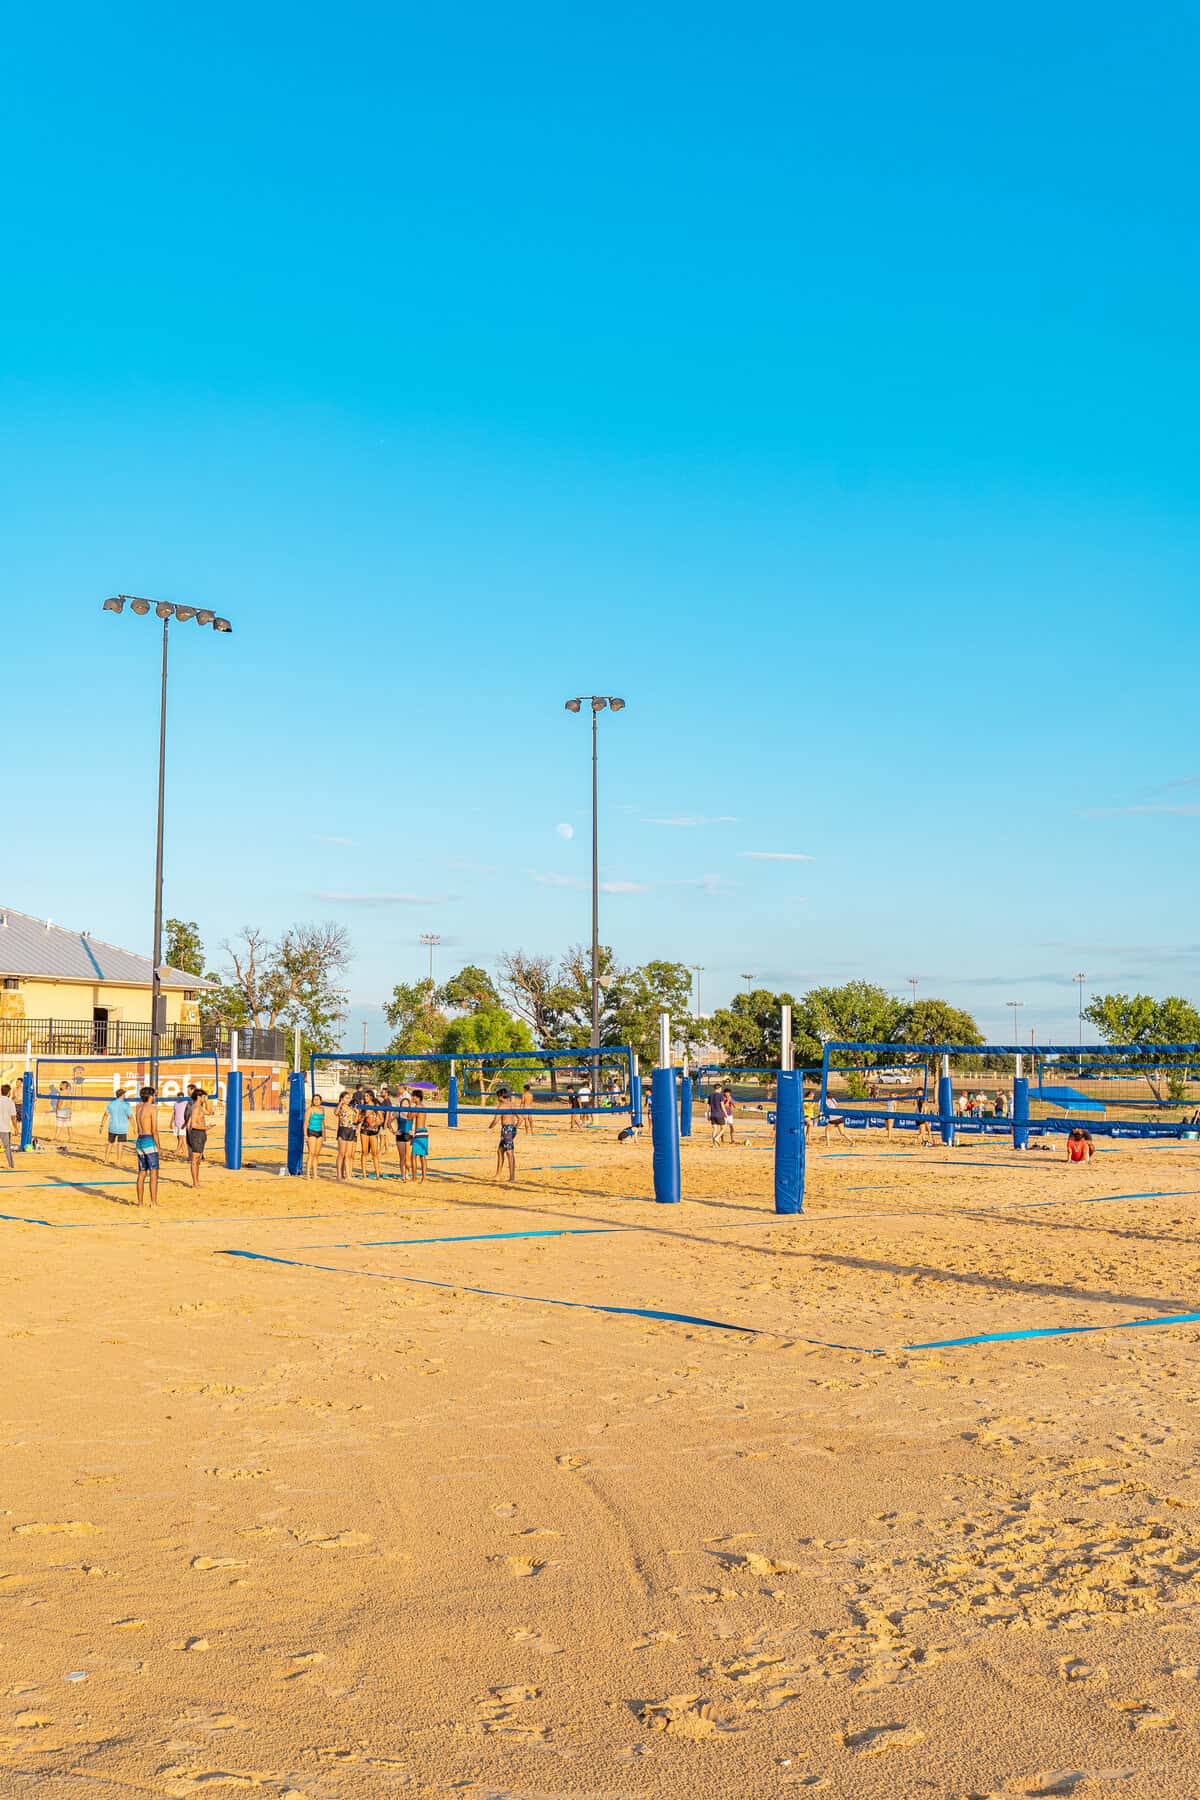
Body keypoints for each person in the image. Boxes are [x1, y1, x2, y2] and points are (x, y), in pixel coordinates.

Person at [133, 1085, 160, 1207]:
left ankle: (140, 1202)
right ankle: (153, 1202)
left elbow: (139, 1127)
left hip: (139, 1140)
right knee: (154, 1173)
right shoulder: (152, 1108)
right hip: (149, 1140)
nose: (155, 1097)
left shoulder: (138, 1108)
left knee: (142, 1172)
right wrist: (158, 1145)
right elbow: (154, 1129)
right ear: (150, 1096)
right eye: (154, 1095)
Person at [491, 1090, 519, 1182]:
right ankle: (498, 1175)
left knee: (509, 1153)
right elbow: (520, 1118)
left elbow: (496, 1120)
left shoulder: (502, 1106)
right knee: (500, 1151)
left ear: (500, 1097)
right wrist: (514, 1128)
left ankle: (512, 1177)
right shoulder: (512, 1104)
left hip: (507, 1130)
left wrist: (489, 1127)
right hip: (509, 1130)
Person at [186, 1087, 211, 1188]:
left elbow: (209, 1112)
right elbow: (193, 1125)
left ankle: (197, 1181)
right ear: (199, 1097)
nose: (204, 1098)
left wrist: (206, 1101)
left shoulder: (199, 1107)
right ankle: (195, 1183)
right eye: (203, 1096)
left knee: (198, 1159)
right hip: (197, 1134)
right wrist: (206, 1127)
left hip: (200, 1134)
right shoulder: (196, 1108)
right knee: (195, 1159)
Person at [100, 1088, 131, 1167]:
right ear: (122, 1095)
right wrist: (135, 1127)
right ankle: (118, 1162)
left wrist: (102, 1125)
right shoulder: (126, 1104)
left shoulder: (111, 1103)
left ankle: (106, 1161)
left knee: (110, 1143)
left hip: (112, 1127)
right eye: (124, 1094)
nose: (125, 1095)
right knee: (120, 1144)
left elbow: (106, 1115)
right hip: (122, 1128)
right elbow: (130, 1116)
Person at [358, 1090, 383, 1180]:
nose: (365, 1098)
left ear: (371, 1097)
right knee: (364, 1152)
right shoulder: (363, 1107)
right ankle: (364, 1174)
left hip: (373, 1130)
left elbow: (381, 1119)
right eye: (365, 1096)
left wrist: (376, 1124)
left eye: (367, 1096)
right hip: (364, 1130)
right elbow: (359, 1119)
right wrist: (363, 1114)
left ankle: (377, 1175)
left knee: (374, 1153)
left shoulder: (376, 1106)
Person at [335, 1092, 357, 1182]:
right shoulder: (341, 1107)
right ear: (342, 1098)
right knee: (341, 1153)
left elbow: (354, 1120)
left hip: (351, 1130)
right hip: (343, 1129)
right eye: (346, 1097)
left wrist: (357, 1112)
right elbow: (336, 1113)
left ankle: (348, 1175)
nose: (348, 1099)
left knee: (348, 1154)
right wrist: (340, 1102)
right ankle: (339, 1175)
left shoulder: (351, 1108)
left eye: (349, 1098)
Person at [305, 1093, 327, 1179]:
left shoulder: (322, 1110)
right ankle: (307, 1174)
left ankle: (315, 1174)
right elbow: (306, 1123)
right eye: (315, 1099)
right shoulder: (310, 1110)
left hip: (320, 1133)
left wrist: (324, 1134)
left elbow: (323, 1122)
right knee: (311, 1153)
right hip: (311, 1132)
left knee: (317, 1154)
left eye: (318, 1099)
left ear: (321, 1101)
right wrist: (305, 1135)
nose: (316, 1101)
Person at [409, 1093, 429, 1182]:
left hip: (420, 1132)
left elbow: (409, 1117)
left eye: (413, 1096)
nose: (412, 1098)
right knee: (422, 1156)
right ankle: (423, 1177)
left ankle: (414, 1177)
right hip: (423, 1131)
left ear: (417, 1097)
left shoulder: (418, 1106)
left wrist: (410, 1105)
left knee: (414, 1156)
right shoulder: (422, 1106)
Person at [0, 1083, 16, 1169]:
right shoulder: (10, 1102)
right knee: (7, 1148)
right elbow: (13, 1117)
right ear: (9, 1093)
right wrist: (16, 1128)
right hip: (5, 1129)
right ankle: (11, 1165)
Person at [54, 1080, 73, 1150]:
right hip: (67, 1110)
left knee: (59, 1125)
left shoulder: (61, 1093)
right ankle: (70, 1138)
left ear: (65, 1086)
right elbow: (71, 1102)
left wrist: (57, 1109)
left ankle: (56, 1137)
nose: (60, 1086)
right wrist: (70, 1110)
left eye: (61, 1085)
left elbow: (60, 1102)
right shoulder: (69, 1093)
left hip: (62, 1110)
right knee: (68, 1125)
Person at [171, 1091, 190, 1160]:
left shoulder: (186, 1103)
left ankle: (177, 1150)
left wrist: (187, 1122)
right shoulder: (175, 1104)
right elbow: (174, 1113)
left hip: (183, 1123)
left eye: (181, 1097)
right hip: (176, 1123)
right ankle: (185, 1151)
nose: (180, 1098)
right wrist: (171, 1122)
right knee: (180, 1138)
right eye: (179, 1097)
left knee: (181, 1137)